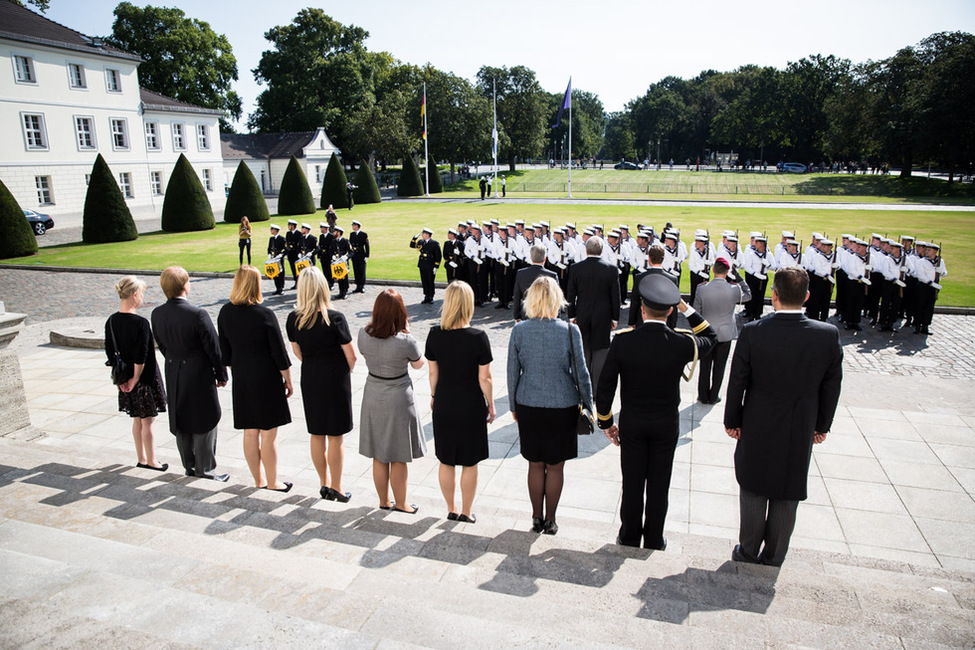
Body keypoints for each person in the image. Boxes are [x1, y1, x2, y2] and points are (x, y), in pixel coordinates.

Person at [724, 267, 843, 567]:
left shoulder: (753, 333)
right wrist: (821, 426)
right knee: (787, 489)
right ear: (806, 296)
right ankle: (775, 554)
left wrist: (732, 421)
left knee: (753, 484)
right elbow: (832, 387)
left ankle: (748, 550)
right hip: (799, 424)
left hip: (757, 422)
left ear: (773, 296)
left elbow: (737, 381)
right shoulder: (827, 336)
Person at [597, 275, 718, 550]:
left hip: (633, 422)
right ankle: (654, 538)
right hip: (665, 423)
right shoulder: (681, 343)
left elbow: (605, 387)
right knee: (659, 484)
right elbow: (711, 336)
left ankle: (628, 536)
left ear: (641, 308)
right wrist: (687, 308)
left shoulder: (624, 341)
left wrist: (606, 422)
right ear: (671, 310)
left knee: (633, 482)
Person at [508, 276, 594, 535]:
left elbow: (513, 372)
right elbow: (582, 372)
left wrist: (513, 405)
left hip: (528, 403)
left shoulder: (519, 330)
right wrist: (589, 405)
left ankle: (536, 517)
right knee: (555, 465)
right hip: (562, 405)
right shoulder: (569, 331)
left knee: (535, 464)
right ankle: (551, 519)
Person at [217, 266, 294, 492]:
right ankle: (272, 482)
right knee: (268, 434)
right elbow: (279, 353)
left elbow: (226, 353)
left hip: (242, 376)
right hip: (266, 378)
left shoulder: (225, 312)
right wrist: (288, 379)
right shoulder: (264, 314)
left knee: (250, 431)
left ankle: (259, 480)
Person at [151, 267, 229, 482]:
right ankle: (205, 469)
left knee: (182, 419)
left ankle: (190, 466)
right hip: (198, 372)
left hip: (174, 369)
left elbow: (162, 345)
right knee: (205, 419)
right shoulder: (197, 314)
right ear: (185, 285)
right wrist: (221, 374)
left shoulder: (157, 313)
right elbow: (213, 348)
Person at [425, 282, 495, 522]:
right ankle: (466, 511)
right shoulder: (478, 337)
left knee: (446, 460)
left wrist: (434, 396)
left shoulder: (434, 334)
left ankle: (451, 508)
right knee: (469, 461)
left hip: (445, 401)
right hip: (470, 405)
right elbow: (484, 378)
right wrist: (491, 403)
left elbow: (433, 374)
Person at [287, 266, 357, 502]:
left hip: (311, 375)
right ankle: (336, 486)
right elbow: (351, 355)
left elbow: (297, 352)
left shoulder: (293, 318)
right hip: (335, 378)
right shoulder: (335, 318)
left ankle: (324, 483)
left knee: (317, 433)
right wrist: (343, 370)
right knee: (335, 436)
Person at [358, 289, 426, 513]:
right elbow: (419, 364)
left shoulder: (362, 334)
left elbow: (368, 355)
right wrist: (409, 333)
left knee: (379, 453)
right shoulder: (406, 341)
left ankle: (384, 500)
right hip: (398, 396)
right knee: (398, 455)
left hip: (373, 393)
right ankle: (402, 503)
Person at [105, 276, 168, 472]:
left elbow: (109, 352)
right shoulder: (140, 323)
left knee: (136, 419)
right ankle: (151, 460)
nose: (142, 297)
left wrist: (122, 380)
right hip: (143, 378)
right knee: (147, 421)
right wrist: (135, 378)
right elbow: (141, 356)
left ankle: (141, 457)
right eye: (141, 294)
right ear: (134, 295)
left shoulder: (111, 321)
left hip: (124, 378)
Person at [693, 257, 750, 405]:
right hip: (725, 334)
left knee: (704, 366)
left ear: (713, 269)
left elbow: (696, 313)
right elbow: (748, 295)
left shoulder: (702, 288)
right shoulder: (734, 289)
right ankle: (714, 396)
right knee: (720, 367)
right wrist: (739, 277)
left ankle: (702, 395)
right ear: (727, 272)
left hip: (706, 334)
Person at [567, 236, 620, 386]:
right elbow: (615, 297)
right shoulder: (611, 269)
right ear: (602, 250)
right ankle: (597, 388)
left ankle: (584, 386)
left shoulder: (576, 268)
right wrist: (615, 318)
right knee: (600, 352)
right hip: (603, 316)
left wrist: (571, 315)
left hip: (582, 313)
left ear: (586, 249)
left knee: (584, 349)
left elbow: (571, 295)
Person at [628, 243, 679, 329]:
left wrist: (632, 321)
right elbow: (673, 304)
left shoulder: (640, 277)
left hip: (643, 320)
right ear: (663, 259)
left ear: (649, 259)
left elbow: (635, 301)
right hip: (665, 322)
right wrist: (673, 325)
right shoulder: (672, 279)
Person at [512, 244, 557, 321]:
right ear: (545, 259)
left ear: (531, 257)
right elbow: (556, 299)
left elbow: (517, 296)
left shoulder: (521, 273)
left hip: (527, 313)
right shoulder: (552, 275)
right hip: (547, 315)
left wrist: (516, 316)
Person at [414, 227, 442, 304]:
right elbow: (412, 245)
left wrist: (436, 266)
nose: (422, 235)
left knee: (430, 281)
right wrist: (415, 237)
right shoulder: (421, 242)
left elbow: (438, 256)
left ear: (427, 235)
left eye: (423, 233)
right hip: (422, 264)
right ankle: (426, 295)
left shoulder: (434, 243)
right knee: (424, 280)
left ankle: (431, 296)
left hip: (430, 265)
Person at [328, 225, 352, 299]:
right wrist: (332, 256)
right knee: (339, 277)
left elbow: (351, 252)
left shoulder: (345, 241)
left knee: (344, 278)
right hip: (336, 262)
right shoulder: (333, 242)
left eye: (335, 231)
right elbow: (330, 251)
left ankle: (345, 292)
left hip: (343, 263)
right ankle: (341, 292)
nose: (333, 233)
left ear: (339, 233)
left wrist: (346, 257)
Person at [349, 220, 370, 293]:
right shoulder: (352, 234)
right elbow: (350, 245)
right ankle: (357, 285)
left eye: (353, 225)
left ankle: (362, 286)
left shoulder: (363, 234)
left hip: (361, 255)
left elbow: (367, 246)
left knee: (362, 271)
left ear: (357, 226)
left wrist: (367, 255)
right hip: (354, 255)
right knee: (356, 270)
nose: (352, 226)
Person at [267, 223, 286, 295]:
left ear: (276, 230)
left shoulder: (282, 239)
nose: (271, 230)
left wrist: (281, 254)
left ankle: (281, 288)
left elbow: (285, 249)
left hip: (279, 258)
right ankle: (277, 288)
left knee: (280, 273)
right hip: (273, 258)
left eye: (272, 229)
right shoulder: (271, 238)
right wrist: (269, 254)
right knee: (275, 273)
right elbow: (269, 248)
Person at [284, 219, 301, 289]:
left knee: (298, 270)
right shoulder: (288, 233)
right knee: (293, 269)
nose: (288, 226)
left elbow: (300, 245)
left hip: (296, 254)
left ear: (293, 226)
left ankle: (299, 282)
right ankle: (296, 282)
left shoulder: (298, 234)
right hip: (291, 254)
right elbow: (287, 244)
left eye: (289, 225)